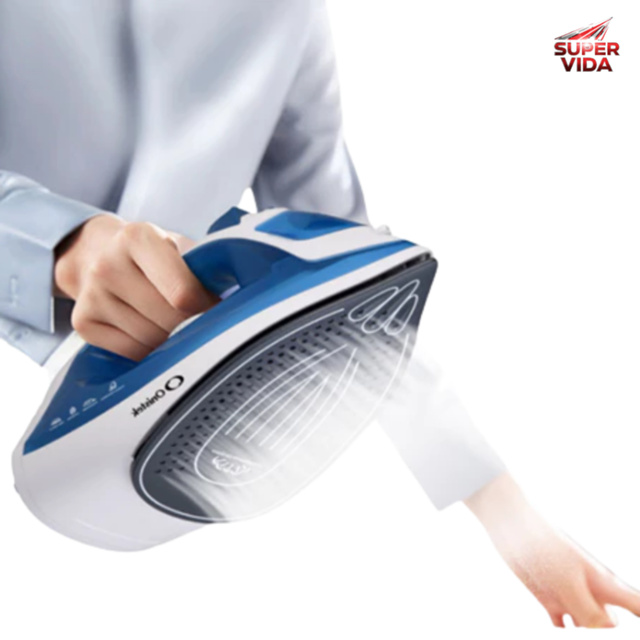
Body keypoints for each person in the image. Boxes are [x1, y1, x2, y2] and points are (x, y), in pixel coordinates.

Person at [0, 0, 637, 628]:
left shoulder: (286, 15)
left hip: (178, 489)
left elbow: (359, 293)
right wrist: (58, 243)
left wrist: (516, 525)